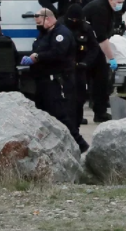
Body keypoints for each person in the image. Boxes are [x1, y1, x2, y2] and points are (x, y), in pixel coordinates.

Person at [20, 8, 90, 152]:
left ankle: (80, 144)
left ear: (48, 19)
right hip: (43, 80)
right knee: (42, 113)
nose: (38, 26)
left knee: (61, 114)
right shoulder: (45, 33)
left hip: (58, 80)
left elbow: (58, 53)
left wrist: (37, 57)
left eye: (39, 22)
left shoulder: (61, 34)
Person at [83, 0, 125, 123]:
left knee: (100, 81)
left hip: (92, 45)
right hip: (86, 47)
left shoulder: (108, 9)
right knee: (93, 80)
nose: (120, 5)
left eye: (122, 2)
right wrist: (111, 58)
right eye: (118, 2)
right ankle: (92, 112)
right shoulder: (100, 9)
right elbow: (101, 38)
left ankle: (100, 111)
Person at [59, 4, 101, 128]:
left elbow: (94, 48)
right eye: (73, 20)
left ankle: (78, 118)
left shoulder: (85, 28)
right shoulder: (60, 27)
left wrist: (86, 62)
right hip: (64, 68)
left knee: (80, 96)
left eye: (78, 20)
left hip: (80, 66)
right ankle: (67, 120)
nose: (75, 22)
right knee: (66, 96)